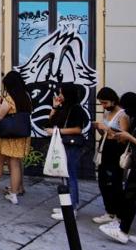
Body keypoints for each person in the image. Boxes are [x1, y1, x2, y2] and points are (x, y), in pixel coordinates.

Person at [99, 92, 136, 245]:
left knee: (129, 196)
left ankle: (123, 231)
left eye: (127, 108)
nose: (125, 112)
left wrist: (130, 137)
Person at [0, 70, 32, 205]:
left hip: (8, 136)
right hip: (21, 136)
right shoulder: (26, 97)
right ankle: (14, 193)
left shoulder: (10, 99)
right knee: (15, 164)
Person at [46, 83, 88, 220]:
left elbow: (77, 129)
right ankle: (67, 205)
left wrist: (57, 131)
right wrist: (54, 107)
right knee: (64, 174)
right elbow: (50, 122)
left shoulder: (76, 109)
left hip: (72, 145)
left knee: (70, 174)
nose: (59, 96)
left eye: (61, 93)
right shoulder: (64, 107)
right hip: (64, 144)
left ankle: (72, 208)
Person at [91, 87, 128, 225]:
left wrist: (107, 129)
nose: (103, 106)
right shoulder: (107, 113)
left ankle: (118, 213)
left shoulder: (122, 115)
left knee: (114, 182)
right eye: (101, 103)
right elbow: (106, 134)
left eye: (105, 102)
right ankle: (109, 211)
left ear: (113, 100)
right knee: (103, 181)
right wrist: (100, 129)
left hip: (115, 150)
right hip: (105, 148)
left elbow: (123, 138)